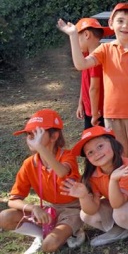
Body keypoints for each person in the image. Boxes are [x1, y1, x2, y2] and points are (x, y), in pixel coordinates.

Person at [57, 3, 128, 172]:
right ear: (111, 23)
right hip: (112, 116)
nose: (125, 26)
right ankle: (122, 194)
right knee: (119, 160)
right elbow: (81, 64)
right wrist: (73, 36)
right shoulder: (104, 49)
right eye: (120, 21)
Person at [63, 126, 128, 254]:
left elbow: (117, 204)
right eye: (90, 152)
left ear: (113, 144)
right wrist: (83, 196)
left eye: (100, 146)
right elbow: (91, 210)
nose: (96, 153)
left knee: (120, 212)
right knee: (85, 214)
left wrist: (114, 180)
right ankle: (118, 231)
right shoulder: (92, 175)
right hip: (121, 206)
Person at [1, 109, 83, 254]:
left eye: (37, 133)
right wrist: (34, 208)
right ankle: (41, 235)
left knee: (49, 246)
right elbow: (13, 200)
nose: (31, 138)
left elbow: (62, 171)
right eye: (28, 134)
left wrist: (39, 147)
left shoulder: (67, 156)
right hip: (49, 209)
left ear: (54, 136)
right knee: (5, 217)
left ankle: (75, 231)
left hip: (72, 210)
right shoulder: (29, 164)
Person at [75, 18, 111, 129]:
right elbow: (84, 81)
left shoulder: (97, 59)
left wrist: (95, 114)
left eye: (77, 40)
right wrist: (80, 103)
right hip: (89, 109)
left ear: (86, 34)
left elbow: (94, 88)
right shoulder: (86, 56)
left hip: (98, 112)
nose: (77, 45)